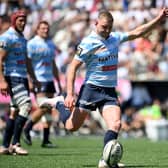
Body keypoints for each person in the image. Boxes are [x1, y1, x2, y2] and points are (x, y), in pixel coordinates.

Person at [39, 8, 168, 168]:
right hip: (91, 89)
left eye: (109, 27)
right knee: (71, 127)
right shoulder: (88, 42)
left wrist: (158, 18)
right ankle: (58, 103)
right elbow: (72, 68)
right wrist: (69, 95)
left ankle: (105, 161)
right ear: (96, 23)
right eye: (104, 27)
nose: (106, 30)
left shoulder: (114, 38)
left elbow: (138, 32)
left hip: (109, 91)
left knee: (115, 124)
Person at [0, 10, 41, 155]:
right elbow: (0, 59)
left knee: (14, 111)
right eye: (20, 20)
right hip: (12, 76)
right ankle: (15, 144)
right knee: (26, 105)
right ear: (14, 21)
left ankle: (4, 146)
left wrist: (33, 78)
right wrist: (2, 80)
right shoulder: (7, 37)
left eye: (24, 21)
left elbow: (27, 62)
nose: (23, 23)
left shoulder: (23, 39)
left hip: (22, 77)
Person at [23, 20, 62, 148]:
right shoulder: (32, 44)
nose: (45, 30)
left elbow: (53, 63)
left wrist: (58, 81)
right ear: (37, 30)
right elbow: (27, 63)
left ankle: (45, 140)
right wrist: (30, 79)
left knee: (49, 109)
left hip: (49, 79)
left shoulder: (50, 43)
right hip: (38, 79)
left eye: (47, 28)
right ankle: (27, 127)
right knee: (44, 107)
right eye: (43, 28)